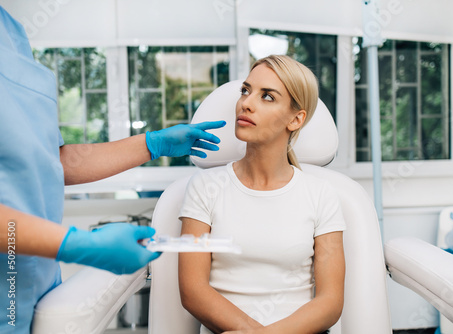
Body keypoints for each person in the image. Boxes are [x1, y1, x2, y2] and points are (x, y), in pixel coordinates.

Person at [0, 6, 225, 333]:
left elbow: (47, 161)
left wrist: (152, 144)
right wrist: (78, 244)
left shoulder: (11, 31)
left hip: (29, 292)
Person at [178, 55, 346, 334]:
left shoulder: (320, 194)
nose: (246, 102)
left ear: (295, 119)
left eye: (267, 97)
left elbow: (330, 302)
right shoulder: (204, 187)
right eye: (246, 90)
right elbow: (192, 290)